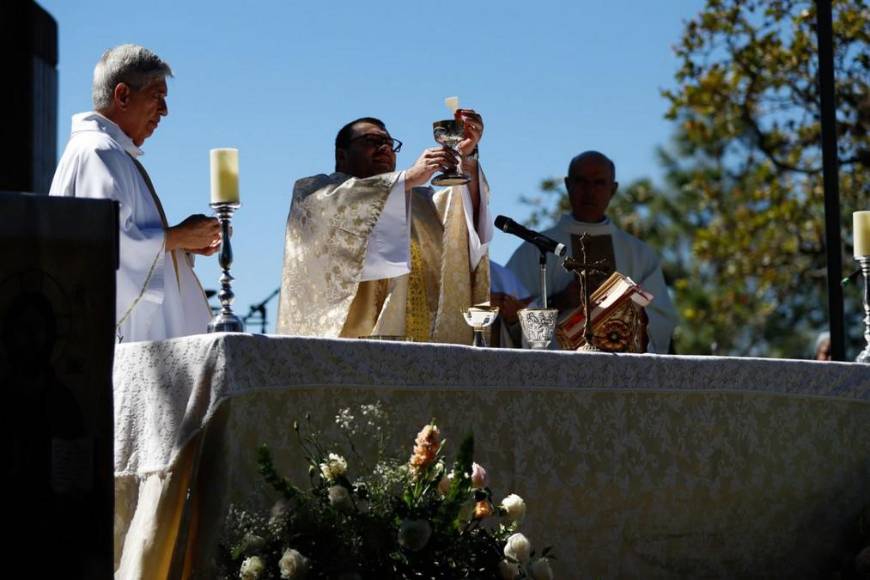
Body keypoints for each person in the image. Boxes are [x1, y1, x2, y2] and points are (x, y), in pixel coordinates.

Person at [50, 45, 220, 342]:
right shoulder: (97, 152)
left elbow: (124, 238)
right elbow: (104, 247)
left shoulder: (112, 153)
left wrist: (182, 243)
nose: (165, 111)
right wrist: (176, 236)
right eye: (158, 97)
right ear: (123, 96)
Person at [276, 113, 491, 343]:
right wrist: (408, 177)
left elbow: (462, 229)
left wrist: (464, 158)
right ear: (342, 154)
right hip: (354, 345)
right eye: (372, 141)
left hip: (425, 347)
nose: (385, 148)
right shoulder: (314, 193)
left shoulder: (421, 202)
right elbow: (343, 207)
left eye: (389, 143)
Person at [505, 151, 678, 353]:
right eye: (581, 182)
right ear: (568, 185)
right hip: (556, 370)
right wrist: (559, 301)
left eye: (599, 183)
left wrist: (622, 309)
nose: (589, 191)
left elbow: (661, 319)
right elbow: (508, 311)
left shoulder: (638, 254)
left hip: (624, 370)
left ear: (613, 190)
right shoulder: (536, 249)